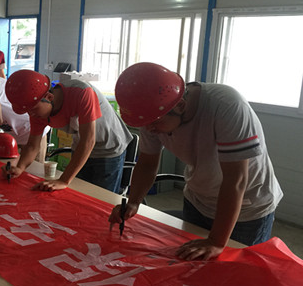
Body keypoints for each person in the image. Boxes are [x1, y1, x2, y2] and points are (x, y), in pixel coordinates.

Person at [109, 62, 283, 261]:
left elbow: (236, 180)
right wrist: (133, 202)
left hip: (246, 209)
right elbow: (147, 163)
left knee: (236, 271)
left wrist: (216, 241)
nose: (150, 130)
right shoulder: (153, 115)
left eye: (155, 123)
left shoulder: (227, 106)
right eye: (145, 125)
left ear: (180, 106)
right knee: (188, 268)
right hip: (198, 200)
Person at [4, 69, 133, 193]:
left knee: (100, 198)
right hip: (81, 146)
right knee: (78, 195)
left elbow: (88, 141)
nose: (30, 114)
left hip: (109, 147)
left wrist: (64, 180)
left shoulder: (81, 92)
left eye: (32, 110)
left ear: (49, 97)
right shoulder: (38, 111)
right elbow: (33, 146)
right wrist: (20, 167)